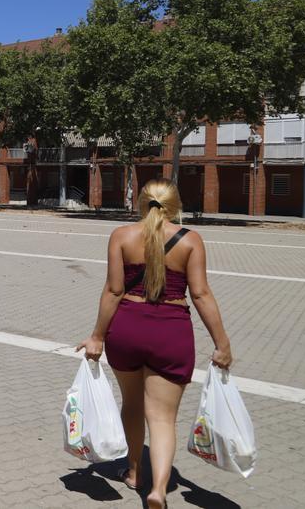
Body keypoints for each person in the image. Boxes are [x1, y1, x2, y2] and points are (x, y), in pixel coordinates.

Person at [76, 179, 233, 508]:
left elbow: (114, 291)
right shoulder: (191, 240)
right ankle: (158, 490)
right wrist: (222, 344)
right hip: (171, 333)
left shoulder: (121, 237)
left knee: (132, 405)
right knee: (162, 418)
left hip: (127, 330)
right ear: (175, 205)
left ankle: (134, 473)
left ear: (141, 202)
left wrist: (97, 336)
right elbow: (201, 294)